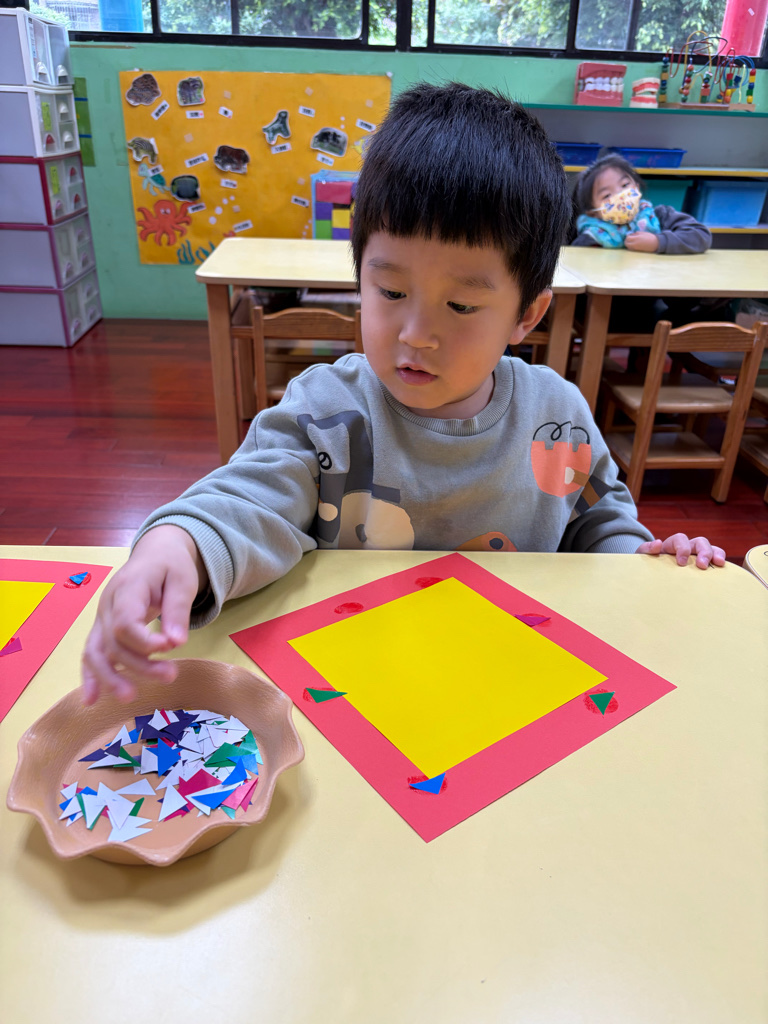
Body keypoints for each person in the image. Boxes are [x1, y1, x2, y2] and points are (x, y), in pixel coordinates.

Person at [81, 83, 726, 705]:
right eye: (390, 292)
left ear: (527, 315)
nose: (416, 334)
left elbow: (600, 527)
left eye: (462, 305)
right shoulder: (327, 411)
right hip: (353, 681)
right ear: (359, 277)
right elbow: (250, 497)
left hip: (507, 681)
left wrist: (643, 559)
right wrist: (182, 543)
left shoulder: (555, 417)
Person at [571, 153, 711, 255]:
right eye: (607, 195)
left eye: (625, 185)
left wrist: (658, 242)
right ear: (593, 212)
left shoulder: (660, 216)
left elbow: (701, 236)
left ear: (637, 187)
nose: (620, 195)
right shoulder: (591, 237)